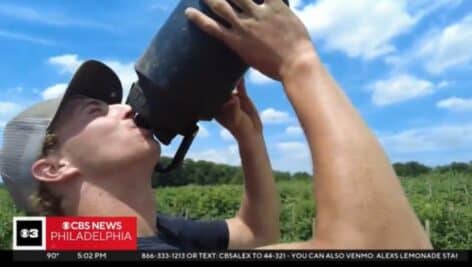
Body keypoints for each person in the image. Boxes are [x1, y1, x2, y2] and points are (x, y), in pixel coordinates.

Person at [0, 0, 431, 250]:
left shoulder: (128, 233)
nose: (123, 108)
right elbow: (381, 243)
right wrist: (299, 63)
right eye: (96, 111)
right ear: (52, 168)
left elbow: (255, 233)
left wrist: (250, 137)